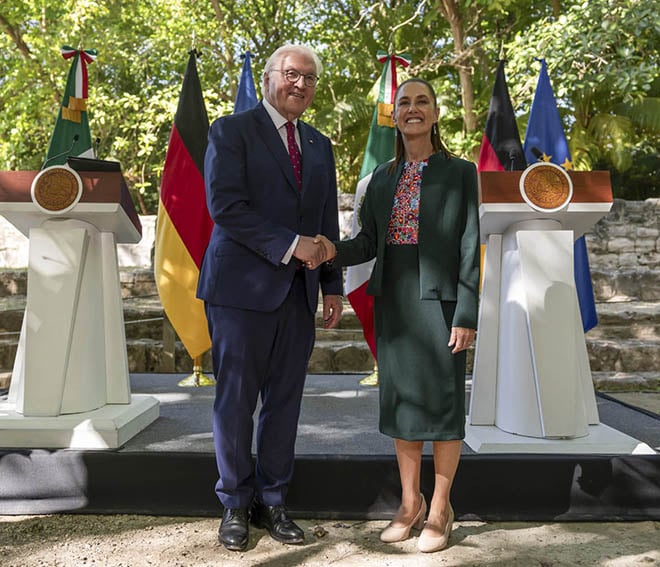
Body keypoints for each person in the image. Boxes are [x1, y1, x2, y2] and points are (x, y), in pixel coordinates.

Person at [315, 77, 479, 553]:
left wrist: (466, 312)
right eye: (404, 102)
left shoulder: (461, 172)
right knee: (403, 406)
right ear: (395, 114)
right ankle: (410, 503)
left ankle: (441, 508)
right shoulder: (380, 179)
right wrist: (329, 250)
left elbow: (471, 246)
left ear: (434, 113)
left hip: (444, 304)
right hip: (394, 303)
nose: (412, 109)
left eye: (421, 101)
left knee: (443, 408)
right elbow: (367, 243)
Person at [197, 44, 344, 552]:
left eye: (309, 78)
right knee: (235, 402)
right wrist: (289, 245)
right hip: (240, 292)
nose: (300, 84)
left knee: (285, 403)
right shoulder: (230, 131)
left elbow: (326, 221)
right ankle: (235, 504)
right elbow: (226, 207)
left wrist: (331, 284)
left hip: (300, 293)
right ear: (268, 79)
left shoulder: (321, 146)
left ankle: (274, 500)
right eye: (290, 74)